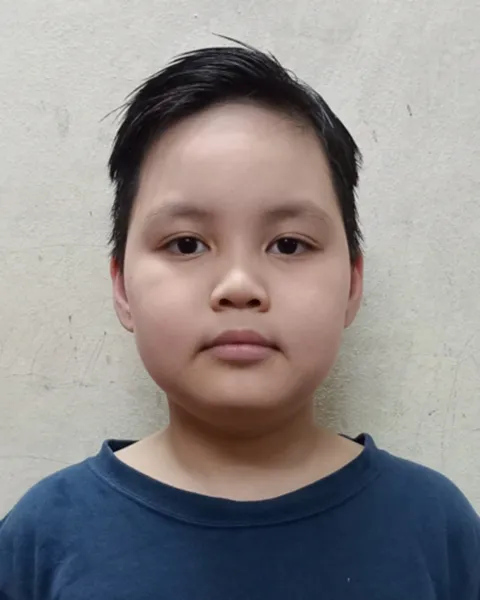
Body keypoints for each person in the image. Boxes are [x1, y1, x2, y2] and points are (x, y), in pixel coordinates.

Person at [0, 42, 479, 599]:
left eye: (289, 244)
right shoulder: (43, 538)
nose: (240, 285)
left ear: (352, 284)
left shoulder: (436, 528)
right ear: (122, 287)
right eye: (186, 244)